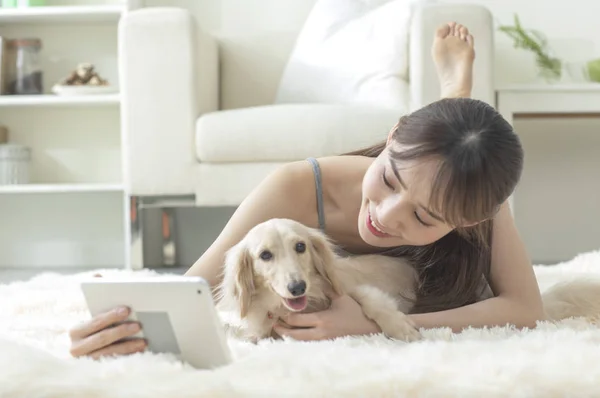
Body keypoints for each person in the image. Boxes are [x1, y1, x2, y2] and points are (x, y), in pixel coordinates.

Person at [68, 22, 545, 359]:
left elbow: (524, 309)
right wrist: (117, 326)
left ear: (465, 220)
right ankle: (451, 97)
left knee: (452, 161)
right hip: (383, 160)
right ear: (392, 132)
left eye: (423, 218)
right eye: (387, 180)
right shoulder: (296, 187)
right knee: (436, 153)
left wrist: (373, 322)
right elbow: (194, 288)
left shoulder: (477, 202)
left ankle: (455, 96)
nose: (387, 215)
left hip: (451, 176)